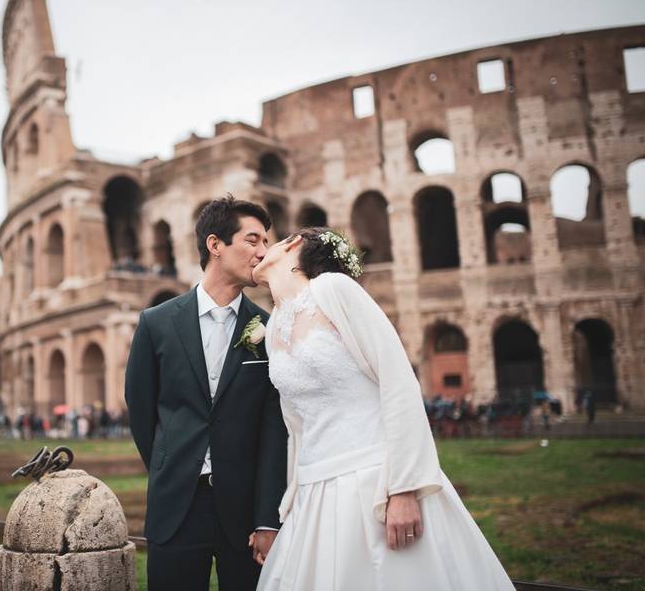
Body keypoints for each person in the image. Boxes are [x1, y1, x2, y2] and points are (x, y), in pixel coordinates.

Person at [251, 227, 514, 591]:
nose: (260, 250)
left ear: (293, 244)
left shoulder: (333, 290)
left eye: (269, 241)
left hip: (373, 478)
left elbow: (398, 382)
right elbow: (295, 423)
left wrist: (405, 488)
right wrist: (293, 496)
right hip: (313, 488)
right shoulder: (275, 323)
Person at [125, 195, 288, 591]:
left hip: (246, 512)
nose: (262, 253)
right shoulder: (156, 323)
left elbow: (274, 430)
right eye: (253, 240)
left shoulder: (271, 327)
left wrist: (267, 519)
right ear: (215, 245)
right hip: (176, 504)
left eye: (266, 242)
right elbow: (142, 412)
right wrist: (171, 466)